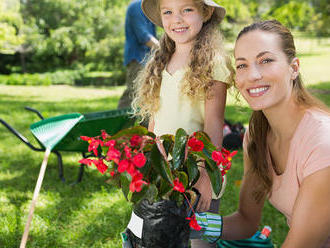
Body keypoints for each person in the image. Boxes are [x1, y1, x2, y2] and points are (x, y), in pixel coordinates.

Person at [192, 20, 330, 248]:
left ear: (294, 68)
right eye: (242, 65)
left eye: (265, 60)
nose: (253, 75)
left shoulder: (322, 143)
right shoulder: (257, 136)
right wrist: (188, 223)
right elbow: (246, 222)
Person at [131, 0, 234, 247]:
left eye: (186, 9)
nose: (176, 19)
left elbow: (214, 122)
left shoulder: (213, 62)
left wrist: (208, 177)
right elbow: (155, 119)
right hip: (163, 173)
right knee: (157, 236)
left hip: (197, 172)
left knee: (199, 239)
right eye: (168, 12)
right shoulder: (160, 60)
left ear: (205, 12)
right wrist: (147, 164)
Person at [117, 0, 159, 109]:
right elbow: (143, 36)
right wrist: (164, 49)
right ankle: (118, 123)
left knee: (146, 94)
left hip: (148, 58)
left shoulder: (150, 9)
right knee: (133, 93)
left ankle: (144, 124)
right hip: (138, 59)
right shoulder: (136, 6)